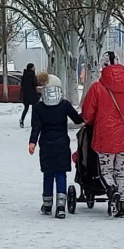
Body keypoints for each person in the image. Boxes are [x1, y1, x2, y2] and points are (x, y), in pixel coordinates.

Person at [80, 54, 124, 217]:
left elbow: (87, 114)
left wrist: (94, 121)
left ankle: (111, 191)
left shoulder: (97, 88)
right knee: (121, 170)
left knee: (106, 170)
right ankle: (122, 204)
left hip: (104, 137)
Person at [29, 84, 84, 218]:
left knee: (48, 174)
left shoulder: (38, 108)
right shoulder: (64, 105)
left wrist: (32, 142)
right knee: (60, 174)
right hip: (62, 144)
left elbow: (36, 126)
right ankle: (60, 207)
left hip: (46, 144)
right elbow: (77, 120)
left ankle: (47, 205)